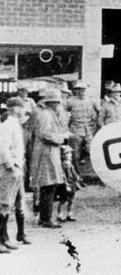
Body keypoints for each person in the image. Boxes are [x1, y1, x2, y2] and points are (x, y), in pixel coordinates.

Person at [32, 89, 70, 228]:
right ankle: (46, 219)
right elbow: (44, 134)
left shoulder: (48, 114)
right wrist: (62, 137)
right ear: (53, 103)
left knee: (49, 185)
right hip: (46, 154)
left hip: (48, 153)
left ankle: (44, 217)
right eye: (58, 102)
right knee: (48, 186)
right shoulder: (46, 115)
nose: (59, 105)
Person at [4, 98, 30, 246]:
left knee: (20, 201)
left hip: (19, 166)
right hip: (12, 167)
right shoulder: (8, 123)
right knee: (6, 202)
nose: (23, 111)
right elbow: (3, 147)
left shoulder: (16, 124)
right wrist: (10, 165)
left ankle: (21, 233)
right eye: (21, 108)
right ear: (15, 109)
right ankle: (4, 237)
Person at [65, 81, 100, 173]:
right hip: (76, 130)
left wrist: (97, 125)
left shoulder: (92, 101)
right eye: (79, 89)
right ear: (76, 91)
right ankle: (77, 175)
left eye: (84, 89)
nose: (82, 91)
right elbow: (63, 113)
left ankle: (92, 174)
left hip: (90, 130)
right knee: (75, 154)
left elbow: (100, 113)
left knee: (92, 153)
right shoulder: (70, 101)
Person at [55, 145, 82, 223]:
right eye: (67, 153)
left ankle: (69, 213)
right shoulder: (63, 164)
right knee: (63, 199)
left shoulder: (70, 163)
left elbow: (73, 171)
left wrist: (76, 177)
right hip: (65, 184)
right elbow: (62, 174)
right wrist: (65, 182)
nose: (70, 155)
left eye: (70, 153)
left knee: (71, 199)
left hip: (71, 182)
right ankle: (59, 214)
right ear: (63, 155)